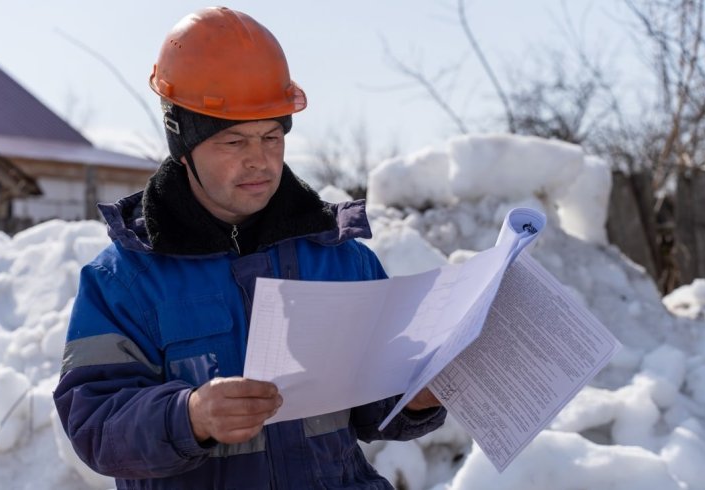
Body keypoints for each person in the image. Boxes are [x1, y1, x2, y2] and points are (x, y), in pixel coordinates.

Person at [53, 6, 446, 489]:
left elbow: (372, 408)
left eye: (271, 136)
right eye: (234, 141)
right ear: (183, 144)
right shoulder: (126, 280)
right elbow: (93, 425)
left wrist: (417, 398)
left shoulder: (341, 258)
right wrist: (189, 416)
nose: (259, 161)